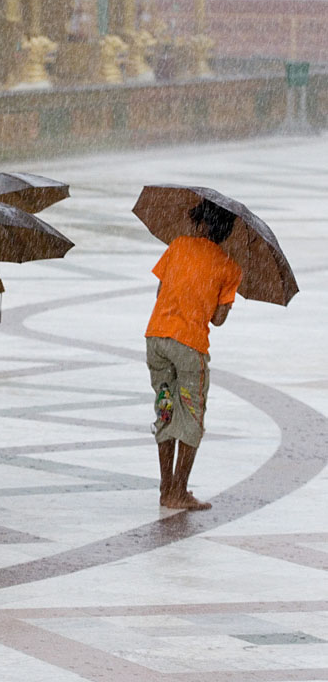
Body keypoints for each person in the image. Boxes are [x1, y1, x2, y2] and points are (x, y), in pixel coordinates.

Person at [145, 199, 242, 511]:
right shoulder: (229, 266)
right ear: (226, 232)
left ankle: (164, 489)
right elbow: (217, 319)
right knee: (192, 416)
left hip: (157, 337)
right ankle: (180, 490)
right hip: (190, 346)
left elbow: (160, 293)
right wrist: (224, 299)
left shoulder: (177, 245)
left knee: (166, 409)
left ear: (200, 222)